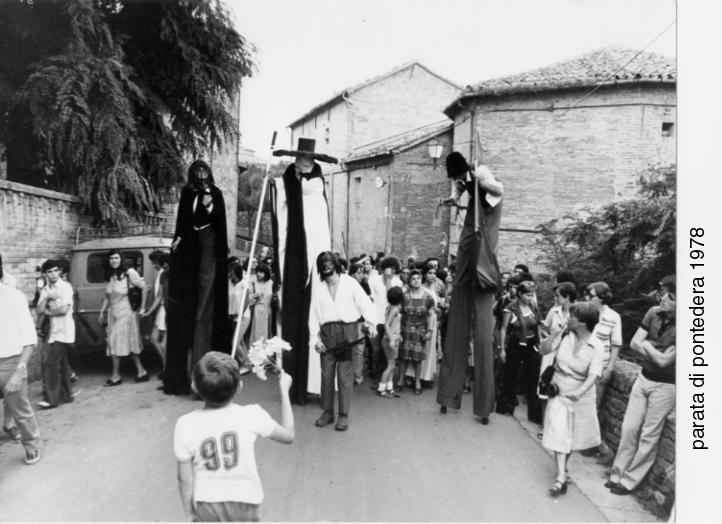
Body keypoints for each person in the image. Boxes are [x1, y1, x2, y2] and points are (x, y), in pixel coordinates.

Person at [175, 352, 295, 522]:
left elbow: (184, 478)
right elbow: (289, 435)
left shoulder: (185, 423)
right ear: (239, 387)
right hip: (245, 500)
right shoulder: (252, 414)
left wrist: (190, 513)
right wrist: (284, 391)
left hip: (207, 503)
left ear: (194, 386)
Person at [437, 152, 504, 424]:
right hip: (469, 241)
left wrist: (479, 180)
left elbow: (498, 189)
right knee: (457, 328)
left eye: (458, 176)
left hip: (485, 245)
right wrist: (453, 198)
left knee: (483, 335)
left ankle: (484, 406)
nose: (457, 180)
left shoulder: (484, 176)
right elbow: (458, 190)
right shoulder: (461, 179)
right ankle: (447, 396)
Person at [270, 138, 336, 406]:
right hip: (295, 251)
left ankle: (312, 384)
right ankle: (291, 381)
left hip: (313, 251)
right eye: (298, 158)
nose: (301, 162)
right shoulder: (289, 177)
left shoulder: (316, 181)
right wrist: (274, 183)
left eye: (306, 159)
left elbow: (308, 192)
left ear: (312, 161)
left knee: (312, 317)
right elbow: (284, 196)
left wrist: (288, 183)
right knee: (292, 317)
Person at [166, 159, 230, 396]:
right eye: (198, 171)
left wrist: (211, 207)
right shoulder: (186, 193)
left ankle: (203, 375)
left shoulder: (216, 193)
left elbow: (220, 221)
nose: (202, 174)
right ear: (193, 173)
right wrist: (178, 238)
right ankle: (181, 376)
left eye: (205, 170)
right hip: (191, 246)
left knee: (204, 307)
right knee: (187, 306)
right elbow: (183, 222)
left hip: (210, 245)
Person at [606, 280, 676, 496]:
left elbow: (665, 364)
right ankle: (616, 474)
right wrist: (654, 349)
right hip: (642, 379)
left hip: (666, 387)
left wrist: (646, 345)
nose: (663, 297)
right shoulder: (653, 312)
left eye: (670, 297)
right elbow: (636, 343)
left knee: (649, 436)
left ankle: (629, 481)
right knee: (629, 428)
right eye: (665, 293)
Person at [540, 302, 605, 496]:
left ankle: (563, 470)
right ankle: (560, 477)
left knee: (570, 437)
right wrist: (555, 333)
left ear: (583, 323)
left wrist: (580, 391)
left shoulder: (597, 346)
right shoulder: (565, 335)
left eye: (573, 317)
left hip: (580, 395)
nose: (568, 318)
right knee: (560, 432)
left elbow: (594, 374)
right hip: (559, 389)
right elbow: (544, 350)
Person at [310, 252, 377, 432]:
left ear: (335, 263)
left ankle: (343, 415)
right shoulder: (319, 286)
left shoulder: (349, 282)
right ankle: (328, 412)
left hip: (347, 334)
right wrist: (315, 338)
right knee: (326, 376)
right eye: (322, 262)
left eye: (328, 261)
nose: (326, 265)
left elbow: (364, 303)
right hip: (326, 335)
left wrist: (370, 323)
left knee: (344, 376)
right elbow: (313, 313)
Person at [0, 254, 41, 464]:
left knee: (20, 410)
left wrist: (19, 369)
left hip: (11, 363)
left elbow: (29, 339)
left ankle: (31, 445)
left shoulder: (14, 297)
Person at [98, 249, 149, 386]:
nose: (114, 261)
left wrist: (142, 308)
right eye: (111, 258)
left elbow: (144, 288)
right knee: (128, 343)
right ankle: (142, 372)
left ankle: (115, 376)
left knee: (113, 341)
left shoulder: (129, 273)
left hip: (127, 313)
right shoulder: (110, 275)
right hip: (113, 314)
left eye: (116, 258)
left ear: (121, 259)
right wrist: (102, 311)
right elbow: (108, 296)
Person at [496, 282, 543, 423]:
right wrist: (502, 349)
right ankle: (506, 407)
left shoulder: (534, 307)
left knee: (533, 378)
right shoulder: (510, 308)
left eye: (532, 295)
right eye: (528, 295)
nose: (531, 297)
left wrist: (540, 343)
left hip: (531, 344)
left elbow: (538, 326)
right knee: (510, 375)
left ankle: (535, 415)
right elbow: (503, 329)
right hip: (515, 344)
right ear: (520, 294)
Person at [538, 282, 578, 439]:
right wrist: (546, 337)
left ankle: (561, 430)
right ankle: (544, 426)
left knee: (563, 393)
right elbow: (544, 328)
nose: (555, 298)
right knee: (545, 389)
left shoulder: (578, 312)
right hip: (550, 355)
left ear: (567, 297)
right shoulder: (554, 311)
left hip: (567, 358)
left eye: (557, 296)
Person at [35, 259, 75, 409]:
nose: (53, 274)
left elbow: (64, 310)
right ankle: (67, 396)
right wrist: (46, 298)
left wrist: (48, 312)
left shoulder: (65, 287)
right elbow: (38, 311)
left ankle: (52, 399)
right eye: (49, 272)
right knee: (62, 365)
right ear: (45, 274)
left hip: (65, 332)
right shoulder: (45, 290)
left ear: (59, 271)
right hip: (54, 332)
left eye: (55, 271)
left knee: (51, 363)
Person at [396, 269, 436, 395]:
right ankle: (400, 381)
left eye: (418, 278)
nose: (416, 280)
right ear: (409, 282)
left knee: (417, 359)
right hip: (405, 331)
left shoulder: (428, 297)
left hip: (420, 331)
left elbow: (431, 315)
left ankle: (417, 382)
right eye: (413, 279)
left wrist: (430, 331)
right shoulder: (404, 296)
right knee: (403, 357)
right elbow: (398, 313)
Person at [584, 282, 622, 408]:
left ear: (601, 298)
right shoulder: (582, 312)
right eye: (586, 295)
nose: (586, 298)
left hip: (600, 366)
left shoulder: (613, 317)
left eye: (590, 296)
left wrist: (609, 368)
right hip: (581, 364)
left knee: (594, 405)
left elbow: (616, 345)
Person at [367, 256, 402, 389]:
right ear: (383, 268)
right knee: (376, 351)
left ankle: (385, 380)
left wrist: (388, 281)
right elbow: (369, 299)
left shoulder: (397, 282)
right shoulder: (373, 279)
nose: (391, 271)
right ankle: (377, 378)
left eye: (394, 269)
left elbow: (391, 297)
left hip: (389, 322)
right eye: (389, 268)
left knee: (387, 350)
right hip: (376, 320)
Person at [143, 251, 169, 380]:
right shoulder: (161, 274)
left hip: (164, 309)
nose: (153, 266)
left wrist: (150, 312)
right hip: (160, 310)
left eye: (154, 263)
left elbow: (160, 297)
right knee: (154, 339)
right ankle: (166, 366)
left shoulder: (163, 274)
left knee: (164, 343)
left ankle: (167, 369)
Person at [377, 286, 404, 398]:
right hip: (390, 340)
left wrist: (398, 335)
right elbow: (387, 324)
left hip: (392, 338)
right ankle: (381, 388)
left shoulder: (390, 307)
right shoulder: (395, 309)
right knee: (391, 366)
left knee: (392, 365)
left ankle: (389, 387)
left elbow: (393, 325)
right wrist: (392, 339)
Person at [228, 265, 253, 375]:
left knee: (235, 342)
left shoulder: (244, 283)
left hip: (243, 317)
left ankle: (246, 364)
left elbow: (247, 300)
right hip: (232, 317)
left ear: (237, 272)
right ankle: (247, 363)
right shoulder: (229, 282)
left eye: (232, 271)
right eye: (229, 271)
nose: (230, 273)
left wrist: (238, 313)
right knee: (240, 341)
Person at [249, 264, 273, 345]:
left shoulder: (271, 283)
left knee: (267, 332)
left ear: (266, 273)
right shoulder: (253, 283)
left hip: (268, 310)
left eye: (261, 272)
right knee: (256, 332)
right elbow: (248, 299)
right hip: (257, 310)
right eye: (257, 272)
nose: (258, 274)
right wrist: (255, 296)